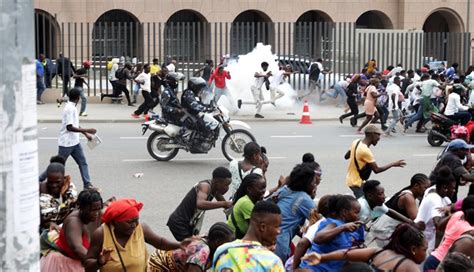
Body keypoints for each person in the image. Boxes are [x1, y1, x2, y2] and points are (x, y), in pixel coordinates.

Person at [84, 198, 185, 272]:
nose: (134, 225)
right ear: (115, 222)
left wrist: (181, 245)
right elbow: (87, 266)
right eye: (129, 222)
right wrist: (99, 262)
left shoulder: (141, 229)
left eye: (136, 220)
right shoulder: (101, 234)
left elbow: (161, 243)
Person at [301, 223, 428, 272]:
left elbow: (346, 254)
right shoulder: (410, 267)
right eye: (424, 250)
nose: (426, 254)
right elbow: (347, 254)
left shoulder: (379, 252)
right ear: (413, 249)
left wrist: (321, 257)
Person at [212, 201, 285, 271]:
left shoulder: (222, 251)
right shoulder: (272, 262)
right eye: (277, 227)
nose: (279, 231)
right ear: (262, 227)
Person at [40, 189, 102, 271]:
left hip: (82, 263)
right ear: (81, 207)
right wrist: (96, 262)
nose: (96, 213)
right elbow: (77, 248)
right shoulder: (73, 222)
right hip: (64, 266)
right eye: (93, 210)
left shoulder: (98, 215)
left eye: (98, 209)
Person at [167, 167, 233, 241]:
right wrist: (224, 203)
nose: (227, 188)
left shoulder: (215, 189)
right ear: (217, 182)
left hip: (189, 223)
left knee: (192, 247)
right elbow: (200, 203)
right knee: (192, 247)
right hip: (179, 222)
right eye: (226, 185)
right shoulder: (205, 186)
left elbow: (226, 206)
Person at [299, 195, 363, 271]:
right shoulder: (333, 224)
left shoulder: (351, 226)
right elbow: (318, 238)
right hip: (315, 268)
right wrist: (342, 228)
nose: (358, 216)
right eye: (356, 212)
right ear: (345, 212)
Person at [344, 124, 406, 198]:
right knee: (362, 206)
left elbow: (346, 156)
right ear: (372, 134)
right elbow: (377, 170)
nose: (379, 138)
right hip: (356, 183)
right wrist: (393, 164)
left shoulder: (356, 142)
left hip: (352, 178)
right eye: (378, 135)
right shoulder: (365, 151)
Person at [370, 173, 430, 247]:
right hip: (383, 230)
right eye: (426, 188)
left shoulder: (408, 193)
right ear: (416, 186)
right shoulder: (408, 197)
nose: (428, 191)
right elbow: (417, 220)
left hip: (387, 229)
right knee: (390, 255)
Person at [274, 164, 319, 262]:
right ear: (306, 184)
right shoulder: (304, 199)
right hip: (280, 243)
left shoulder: (283, 190)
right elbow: (320, 223)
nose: (315, 185)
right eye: (313, 183)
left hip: (268, 238)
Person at [148, 222, 235, 272]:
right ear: (217, 242)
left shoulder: (210, 238)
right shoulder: (202, 252)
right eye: (228, 243)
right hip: (159, 265)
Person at [58, 88, 96, 189]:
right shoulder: (70, 109)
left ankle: (87, 184)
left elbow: (76, 124)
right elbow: (69, 127)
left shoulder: (71, 107)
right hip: (66, 144)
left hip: (75, 143)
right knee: (58, 166)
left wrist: (86, 134)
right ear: (78, 98)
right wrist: (89, 129)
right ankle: (40, 180)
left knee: (83, 162)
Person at [424, 196, 474, 270]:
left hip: (433, 258)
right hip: (443, 264)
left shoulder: (458, 214)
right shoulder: (470, 230)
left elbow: (440, 226)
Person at [416, 166, 456, 253]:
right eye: (452, 188)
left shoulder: (443, 196)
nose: (454, 191)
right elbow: (439, 224)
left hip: (428, 240)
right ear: (445, 188)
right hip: (423, 242)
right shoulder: (434, 199)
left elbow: (452, 205)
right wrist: (454, 215)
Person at [291, 195, 333, 271]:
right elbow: (302, 243)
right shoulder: (321, 224)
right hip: (311, 266)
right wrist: (295, 268)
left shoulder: (333, 223)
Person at [39, 162, 78, 231]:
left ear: (63, 178)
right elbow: (39, 217)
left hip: (67, 224)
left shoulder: (69, 187)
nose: (54, 185)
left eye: (57, 182)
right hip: (47, 229)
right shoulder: (41, 191)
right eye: (50, 182)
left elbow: (75, 206)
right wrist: (49, 223)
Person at [227, 173, 266, 238]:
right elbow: (257, 228)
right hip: (232, 238)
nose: (264, 191)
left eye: (264, 187)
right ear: (249, 189)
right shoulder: (246, 203)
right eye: (261, 188)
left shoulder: (252, 200)